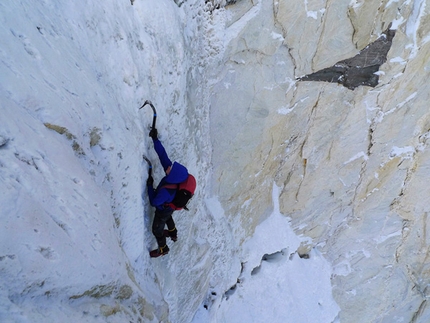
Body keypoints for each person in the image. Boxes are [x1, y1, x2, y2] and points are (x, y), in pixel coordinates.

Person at [146, 128, 189, 257]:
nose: (169, 167)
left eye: (171, 169)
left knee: (157, 230)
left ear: (173, 176)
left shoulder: (166, 191)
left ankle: (163, 248)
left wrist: (149, 186)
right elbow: (163, 156)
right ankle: (172, 233)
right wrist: (155, 139)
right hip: (169, 206)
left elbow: (154, 202)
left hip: (163, 209)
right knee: (168, 216)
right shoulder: (174, 179)